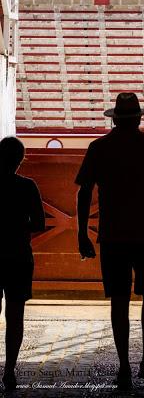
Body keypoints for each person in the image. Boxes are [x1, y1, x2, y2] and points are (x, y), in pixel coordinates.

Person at [75, 92, 144, 390]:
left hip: (113, 235)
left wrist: (82, 232)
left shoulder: (99, 148)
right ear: (138, 118)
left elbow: (84, 192)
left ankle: (123, 368)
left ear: (115, 119)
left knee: (119, 300)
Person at [0, 136, 45, 391]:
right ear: (20, 160)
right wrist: (19, 227)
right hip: (18, 256)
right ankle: (9, 371)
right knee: (15, 316)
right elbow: (39, 223)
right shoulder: (27, 186)